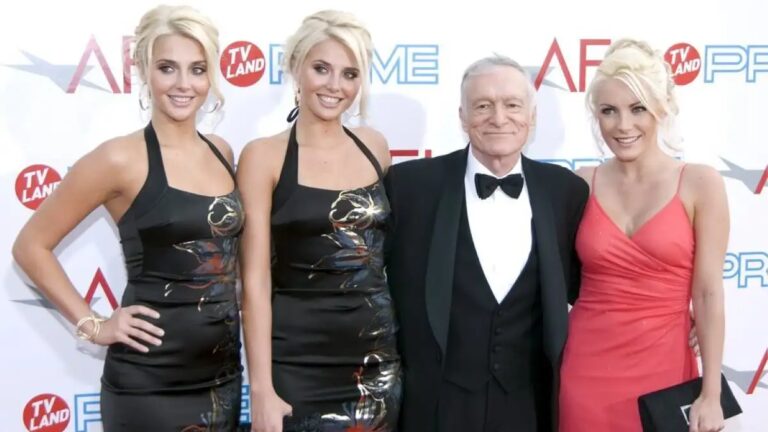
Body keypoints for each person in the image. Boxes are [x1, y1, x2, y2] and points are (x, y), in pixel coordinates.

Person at [12, 5, 244, 430]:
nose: (183, 84)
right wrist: (94, 325)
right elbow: (30, 246)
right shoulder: (118, 159)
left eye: (197, 69)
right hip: (148, 385)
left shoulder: (221, 151)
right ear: (143, 70)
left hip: (222, 380)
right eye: (167, 68)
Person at [384, 55, 589, 432]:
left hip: (529, 405)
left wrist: (678, 312)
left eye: (512, 105)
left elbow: (593, 286)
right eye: (483, 106)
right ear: (462, 117)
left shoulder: (566, 192)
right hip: (437, 404)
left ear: (532, 117)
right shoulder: (409, 186)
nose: (498, 118)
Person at [237, 10, 400, 432]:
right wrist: (261, 389)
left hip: (376, 363)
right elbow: (254, 281)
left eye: (350, 74)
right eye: (321, 68)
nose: (334, 85)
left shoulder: (374, 147)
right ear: (296, 68)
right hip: (297, 364)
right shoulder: (263, 157)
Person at [559, 39, 728, 432]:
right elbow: (553, 277)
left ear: (661, 108)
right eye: (608, 111)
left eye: (638, 109)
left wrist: (711, 393)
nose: (623, 125)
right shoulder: (579, 184)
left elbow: (708, 292)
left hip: (665, 370)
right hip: (585, 369)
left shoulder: (700, 183)